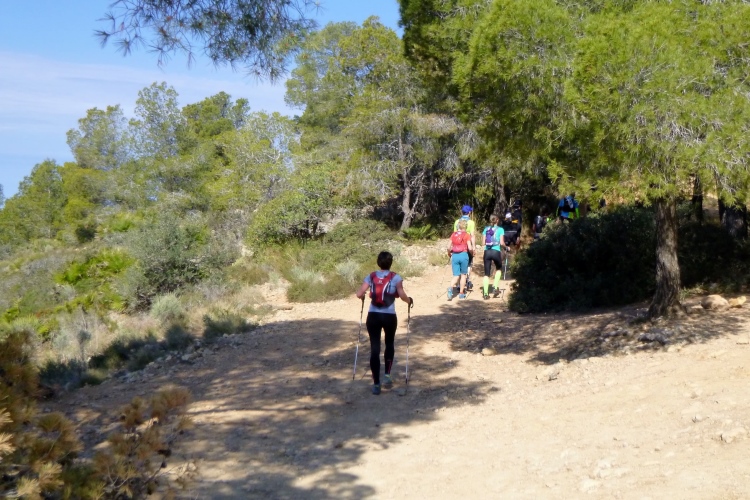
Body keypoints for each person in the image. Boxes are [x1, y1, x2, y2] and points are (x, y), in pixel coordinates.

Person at [355, 251, 413, 395]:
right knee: (389, 343)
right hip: (389, 316)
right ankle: (387, 375)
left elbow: (359, 294)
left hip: (373, 316)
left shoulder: (371, 276)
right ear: (391, 263)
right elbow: (402, 295)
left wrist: (363, 296)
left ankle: (376, 384)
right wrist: (409, 301)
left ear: (378, 262)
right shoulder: (396, 277)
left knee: (375, 348)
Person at [447, 219, 474, 300]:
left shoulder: (453, 234)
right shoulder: (467, 235)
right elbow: (470, 248)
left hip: (455, 255)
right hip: (463, 255)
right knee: (463, 275)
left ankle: (450, 288)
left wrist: (449, 253)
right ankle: (461, 293)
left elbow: (448, 247)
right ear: (465, 227)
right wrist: (472, 253)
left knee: (456, 275)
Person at [481, 215, 506, 299]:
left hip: (487, 252)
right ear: (497, 220)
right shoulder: (500, 229)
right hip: (496, 252)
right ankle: (495, 287)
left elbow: (483, 243)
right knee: (498, 269)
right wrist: (506, 247)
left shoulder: (486, 229)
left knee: (486, 274)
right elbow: (502, 243)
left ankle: (485, 294)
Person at [453, 205, 476, 290]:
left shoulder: (457, 221)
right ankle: (467, 280)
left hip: (458, 246)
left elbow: (455, 234)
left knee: (458, 266)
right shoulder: (471, 222)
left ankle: (458, 284)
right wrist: (473, 247)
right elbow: (472, 235)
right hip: (467, 245)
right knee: (469, 264)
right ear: (469, 212)